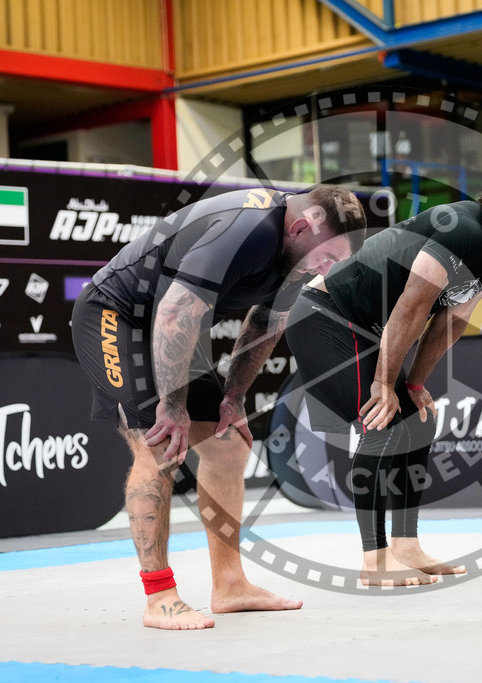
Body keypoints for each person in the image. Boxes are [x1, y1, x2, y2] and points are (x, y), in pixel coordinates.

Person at [71, 185, 366, 628]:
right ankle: (159, 597)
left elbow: (266, 323)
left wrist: (234, 397)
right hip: (117, 314)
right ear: (301, 228)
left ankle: (229, 585)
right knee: (159, 444)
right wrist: (171, 406)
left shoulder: (298, 253)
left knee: (229, 445)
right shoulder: (246, 228)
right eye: (327, 257)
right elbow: (174, 312)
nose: (327, 268)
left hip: (174, 323)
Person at [284, 179, 482, 587]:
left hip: (366, 326)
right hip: (325, 315)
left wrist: (415, 383)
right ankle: (375, 559)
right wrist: (384, 385)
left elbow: (450, 322)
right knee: (381, 421)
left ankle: (406, 547)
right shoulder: (461, 229)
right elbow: (411, 309)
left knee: (418, 421)